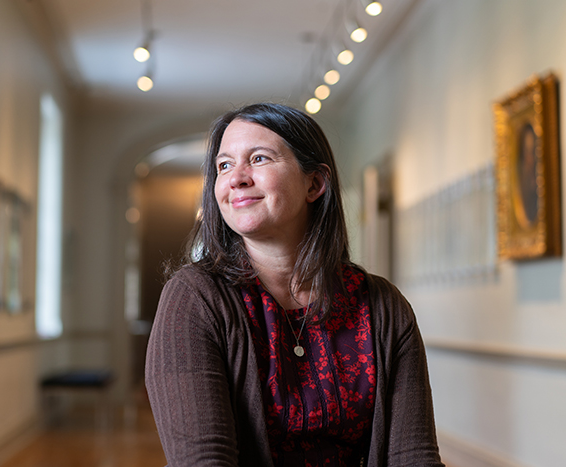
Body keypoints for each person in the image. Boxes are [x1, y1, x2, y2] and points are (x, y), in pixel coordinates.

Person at [145, 103, 444, 467]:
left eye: (258, 159)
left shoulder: (382, 306)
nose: (236, 178)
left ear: (314, 183)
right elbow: (205, 461)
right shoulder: (194, 299)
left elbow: (414, 457)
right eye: (224, 165)